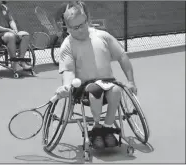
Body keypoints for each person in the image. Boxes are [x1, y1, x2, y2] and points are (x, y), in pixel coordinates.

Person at [56, 1, 137, 149]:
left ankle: (106, 128)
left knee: (117, 90)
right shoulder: (67, 45)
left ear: (88, 20)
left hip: (108, 83)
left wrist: (131, 81)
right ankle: (97, 128)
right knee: (95, 90)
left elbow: (122, 56)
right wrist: (67, 86)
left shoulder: (103, 36)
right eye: (75, 27)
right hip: (84, 89)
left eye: (83, 24)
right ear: (67, 29)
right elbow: (68, 71)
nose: (81, 30)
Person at [0, 0, 31, 71]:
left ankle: (21, 60)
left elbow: (11, 20)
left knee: (26, 35)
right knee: (10, 36)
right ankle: (14, 64)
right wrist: (8, 30)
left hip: (9, 31)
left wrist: (15, 30)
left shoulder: (4, 7)